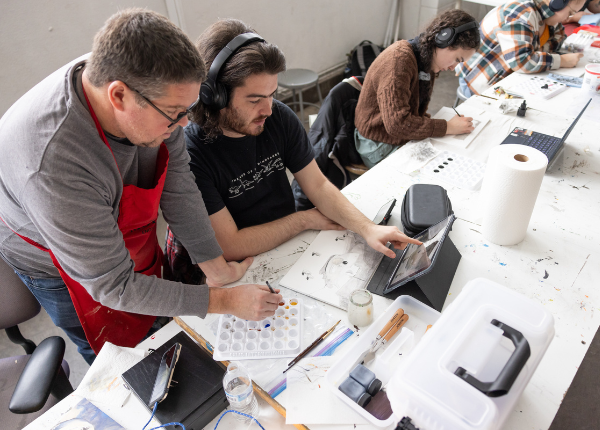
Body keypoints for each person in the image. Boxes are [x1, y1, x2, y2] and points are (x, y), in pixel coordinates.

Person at [0, 9, 281, 365]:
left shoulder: (146, 89)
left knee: (161, 322)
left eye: (188, 109)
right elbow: (112, 287)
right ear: (118, 97)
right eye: (176, 113)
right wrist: (224, 301)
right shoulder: (52, 164)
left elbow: (179, 187)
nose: (183, 125)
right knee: (119, 357)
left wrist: (215, 266)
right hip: (54, 258)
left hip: (116, 224)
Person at [164, 19, 421, 282]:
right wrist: (303, 220)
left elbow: (318, 186)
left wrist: (368, 228)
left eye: (272, 94)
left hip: (282, 246)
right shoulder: (191, 152)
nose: (268, 109)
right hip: (232, 271)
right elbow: (231, 244)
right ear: (213, 95)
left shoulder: (278, 118)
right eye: (254, 100)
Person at [354, 9, 481, 169]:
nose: (453, 68)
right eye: (457, 59)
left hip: (398, 134)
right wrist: (447, 126)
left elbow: (415, 113)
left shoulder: (427, 61)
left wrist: (444, 127)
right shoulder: (399, 61)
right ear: (443, 40)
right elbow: (397, 124)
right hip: (378, 142)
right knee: (439, 169)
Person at [456, 0, 587, 97]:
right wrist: (562, 61)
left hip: (506, 76)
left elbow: (556, 42)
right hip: (478, 81)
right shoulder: (520, 15)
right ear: (557, 3)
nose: (568, 18)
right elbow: (521, 62)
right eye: (570, 13)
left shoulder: (546, 18)